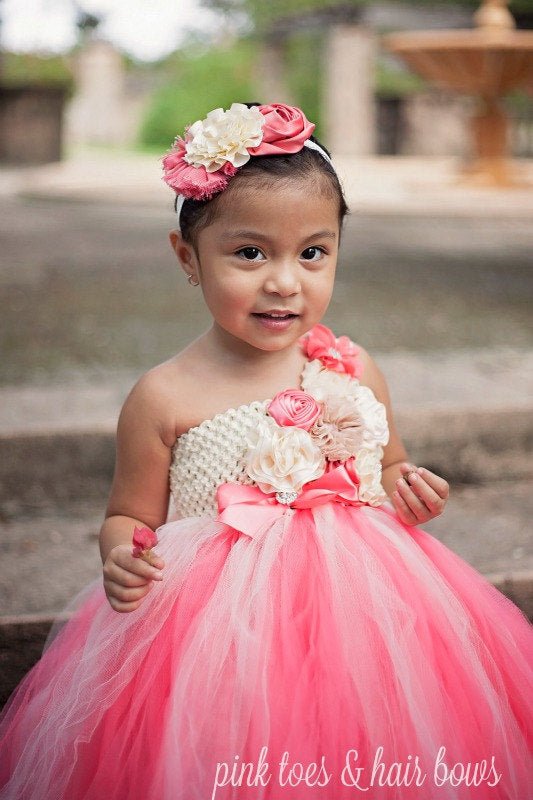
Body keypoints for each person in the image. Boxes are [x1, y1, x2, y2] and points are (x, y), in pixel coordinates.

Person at [0, 102, 531, 800]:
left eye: (312, 253)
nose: (284, 281)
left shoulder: (348, 366)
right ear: (187, 256)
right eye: (249, 253)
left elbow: (388, 461)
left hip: (366, 616)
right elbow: (128, 514)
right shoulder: (163, 397)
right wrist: (122, 555)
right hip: (218, 635)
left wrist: (406, 483)